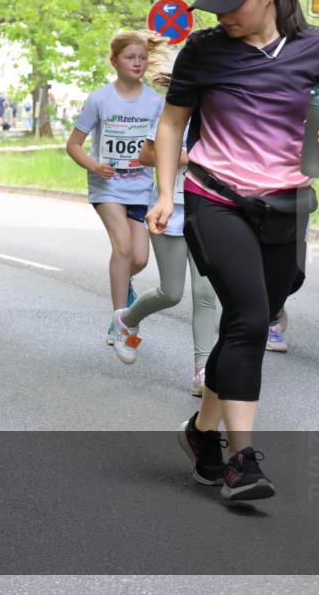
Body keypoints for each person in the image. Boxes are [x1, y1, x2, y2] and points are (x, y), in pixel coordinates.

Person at [148, 0, 319, 500]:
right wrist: (166, 194)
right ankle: (243, 462)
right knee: (252, 317)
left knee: (247, 321)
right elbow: (171, 127)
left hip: (286, 202)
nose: (222, 16)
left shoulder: (316, 47)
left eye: (235, 5)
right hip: (216, 195)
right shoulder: (205, 51)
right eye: (216, 6)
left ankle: (202, 433)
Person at [111, 62, 219, 397]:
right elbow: (146, 155)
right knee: (171, 292)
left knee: (205, 294)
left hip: (210, 210)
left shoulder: (222, 115)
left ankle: (203, 370)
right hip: (170, 209)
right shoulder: (170, 108)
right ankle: (126, 320)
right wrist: (189, 157)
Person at [66, 30, 165, 345]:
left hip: (139, 188)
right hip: (106, 186)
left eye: (142, 58)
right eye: (130, 58)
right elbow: (74, 145)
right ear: (114, 62)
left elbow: (159, 147)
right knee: (122, 247)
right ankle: (119, 320)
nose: (137, 63)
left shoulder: (155, 102)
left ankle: (126, 283)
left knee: (139, 259)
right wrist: (95, 166)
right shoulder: (100, 99)